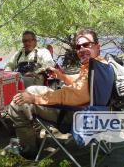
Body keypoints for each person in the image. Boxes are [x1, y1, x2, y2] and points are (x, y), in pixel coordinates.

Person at [8, 29, 107, 159]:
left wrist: (34, 99)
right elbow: (80, 82)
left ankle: (29, 151)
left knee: (17, 104)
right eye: (78, 46)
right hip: (79, 106)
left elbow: (74, 97)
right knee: (31, 90)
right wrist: (62, 76)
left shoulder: (95, 70)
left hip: (71, 113)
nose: (81, 49)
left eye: (87, 44)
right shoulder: (100, 64)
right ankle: (33, 135)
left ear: (97, 46)